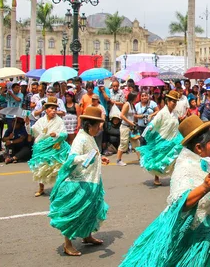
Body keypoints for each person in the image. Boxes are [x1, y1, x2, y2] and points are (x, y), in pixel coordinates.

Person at [120, 115, 210, 267]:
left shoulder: (207, 161)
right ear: (198, 148)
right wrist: (204, 188)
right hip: (199, 237)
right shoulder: (184, 168)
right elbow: (180, 202)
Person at [48, 106, 109, 257]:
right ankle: (67, 244)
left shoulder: (89, 137)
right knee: (75, 212)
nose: (99, 129)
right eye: (97, 126)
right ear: (89, 125)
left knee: (90, 209)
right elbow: (72, 159)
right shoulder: (80, 138)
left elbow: (92, 154)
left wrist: (100, 157)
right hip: (80, 182)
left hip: (92, 180)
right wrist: (87, 156)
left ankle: (87, 235)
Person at [27, 97, 71, 197]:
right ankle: (41, 188)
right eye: (51, 108)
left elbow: (64, 134)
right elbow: (32, 131)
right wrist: (27, 124)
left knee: (56, 168)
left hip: (55, 147)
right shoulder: (41, 121)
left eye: (55, 109)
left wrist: (56, 135)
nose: (54, 110)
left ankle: (59, 188)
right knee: (41, 168)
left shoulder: (59, 121)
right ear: (46, 110)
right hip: (41, 147)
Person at [137, 90, 183, 186]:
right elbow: (154, 123)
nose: (174, 104)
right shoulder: (162, 113)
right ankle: (156, 177)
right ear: (168, 101)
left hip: (173, 139)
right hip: (162, 139)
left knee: (175, 157)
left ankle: (175, 176)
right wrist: (146, 131)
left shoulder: (175, 113)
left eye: (176, 102)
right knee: (159, 158)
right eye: (173, 101)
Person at [116, 92, 140, 166]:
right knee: (123, 144)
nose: (137, 98)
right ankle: (118, 160)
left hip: (131, 128)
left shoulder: (133, 105)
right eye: (136, 97)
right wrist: (130, 122)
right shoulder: (127, 104)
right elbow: (122, 115)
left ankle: (140, 159)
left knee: (136, 143)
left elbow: (133, 115)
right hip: (125, 127)